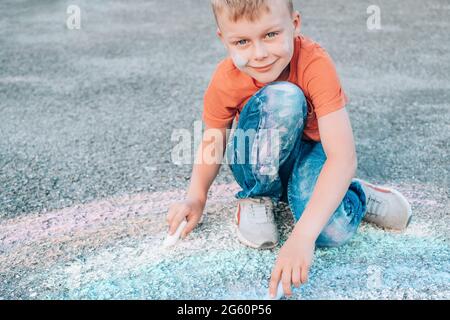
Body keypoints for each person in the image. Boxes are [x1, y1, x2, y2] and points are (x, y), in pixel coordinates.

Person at [166, 0, 412, 298]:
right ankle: (257, 197)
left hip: (312, 152)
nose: (259, 54)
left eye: (270, 35)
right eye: (242, 41)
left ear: (294, 25)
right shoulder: (226, 78)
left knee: (329, 232)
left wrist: (303, 237)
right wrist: (196, 196)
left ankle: (354, 194)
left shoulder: (315, 63)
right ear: (223, 38)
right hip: (259, 159)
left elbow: (342, 156)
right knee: (283, 97)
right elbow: (213, 140)